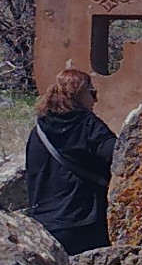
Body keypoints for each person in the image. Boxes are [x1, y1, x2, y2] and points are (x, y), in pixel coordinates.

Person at [25, 62, 116, 253]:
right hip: (84, 222)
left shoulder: (38, 132)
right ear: (80, 94)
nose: (95, 100)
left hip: (46, 226)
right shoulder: (88, 125)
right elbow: (116, 156)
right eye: (92, 93)